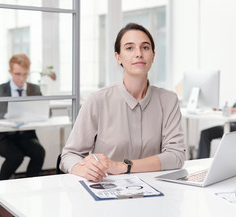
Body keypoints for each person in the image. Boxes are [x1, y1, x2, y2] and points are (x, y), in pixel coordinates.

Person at [60, 23, 185, 182]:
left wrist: (123, 166)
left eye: (145, 47)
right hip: (109, 190)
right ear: (118, 57)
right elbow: (70, 155)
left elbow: (176, 156)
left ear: (153, 55)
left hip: (157, 191)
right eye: (129, 48)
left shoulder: (168, 100)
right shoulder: (98, 100)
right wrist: (81, 168)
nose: (139, 53)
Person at [0, 53, 46, 180]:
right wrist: (6, 115)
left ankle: (30, 186)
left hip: (25, 135)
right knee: (15, 156)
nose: (21, 79)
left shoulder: (34, 89)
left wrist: (29, 114)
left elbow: (45, 112)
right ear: (10, 72)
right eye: (17, 74)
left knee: (39, 153)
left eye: (25, 74)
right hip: (2, 136)